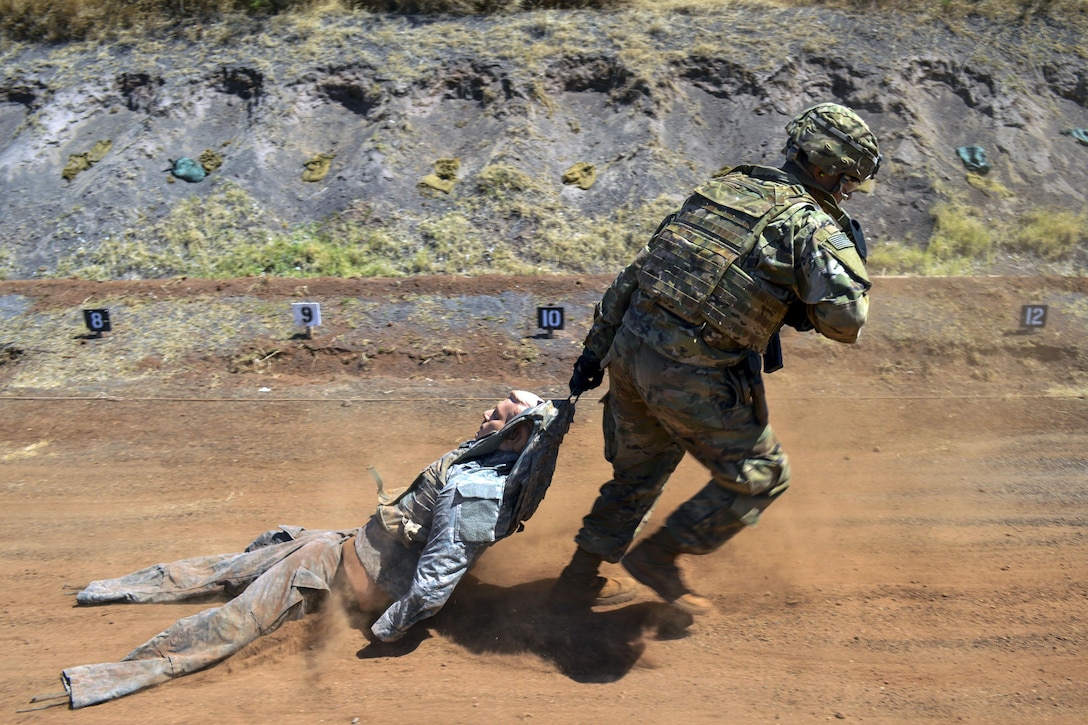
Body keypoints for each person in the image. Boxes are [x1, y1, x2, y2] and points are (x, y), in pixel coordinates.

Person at [548, 102, 881, 614]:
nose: (849, 192)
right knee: (762, 475)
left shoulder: (721, 189)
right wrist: (812, 292)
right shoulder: (810, 224)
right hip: (691, 371)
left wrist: (593, 355)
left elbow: (634, 274)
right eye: (849, 181)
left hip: (630, 353)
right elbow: (846, 321)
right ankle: (660, 556)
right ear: (824, 170)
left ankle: (576, 581)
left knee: (639, 474)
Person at [53, 390, 569, 709]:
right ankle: (104, 591)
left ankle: (101, 680)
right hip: (333, 547)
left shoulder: (474, 493)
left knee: (235, 619)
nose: (483, 412)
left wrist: (387, 629)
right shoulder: (483, 467)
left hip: (328, 573)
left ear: (515, 435)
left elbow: (437, 578)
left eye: (496, 413)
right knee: (232, 565)